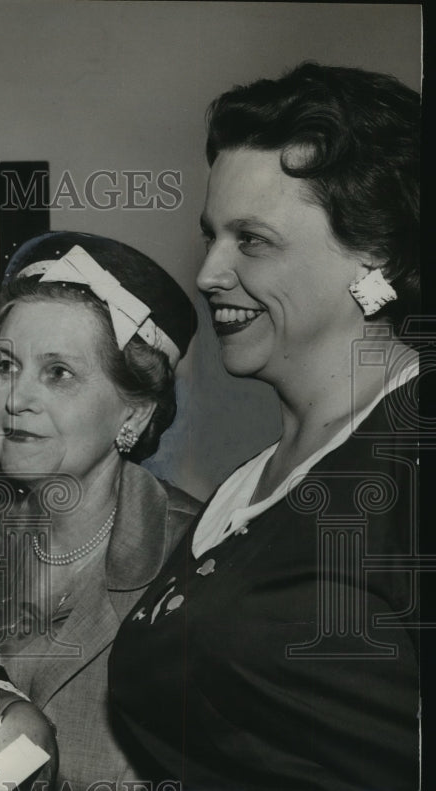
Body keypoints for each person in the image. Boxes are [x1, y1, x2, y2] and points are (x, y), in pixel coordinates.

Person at [109, 63, 421, 790]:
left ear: (375, 255)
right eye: (211, 235)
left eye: (252, 240)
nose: (210, 272)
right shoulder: (247, 486)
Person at [0, 231, 201, 789]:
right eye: (5, 365)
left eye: (58, 373)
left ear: (135, 411)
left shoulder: (197, 560)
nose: (15, 398)